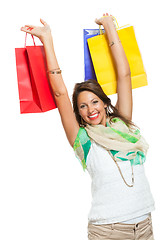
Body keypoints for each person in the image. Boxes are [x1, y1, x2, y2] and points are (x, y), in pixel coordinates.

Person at [21, 13, 155, 240]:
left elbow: (124, 75)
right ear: (78, 113)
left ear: (105, 103)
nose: (90, 109)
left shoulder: (123, 126)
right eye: (82, 106)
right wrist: (47, 39)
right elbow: (60, 93)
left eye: (94, 102)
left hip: (144, 226)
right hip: (108, 231)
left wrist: (109, 27)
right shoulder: (83, 140)